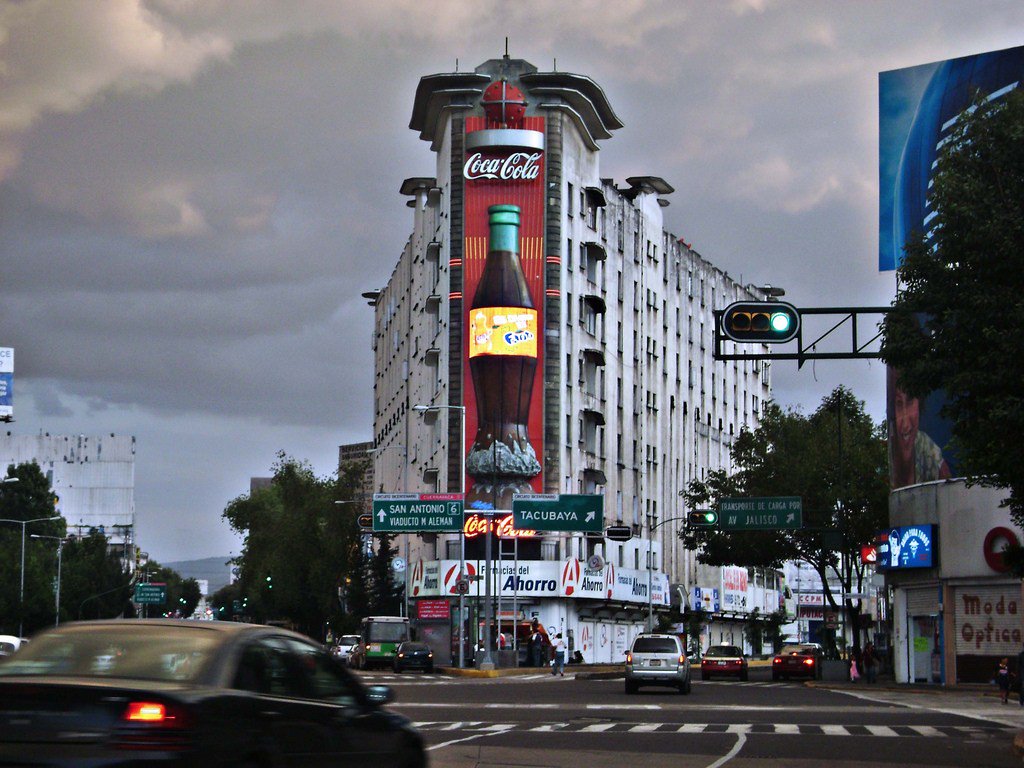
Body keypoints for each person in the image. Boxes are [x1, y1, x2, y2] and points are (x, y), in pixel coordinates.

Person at [888, 368, 952, 488]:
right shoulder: (891, 447)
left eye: (910, 401)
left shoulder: (928, 450)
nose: (906, 423)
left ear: (919, 405)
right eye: (899, 404)